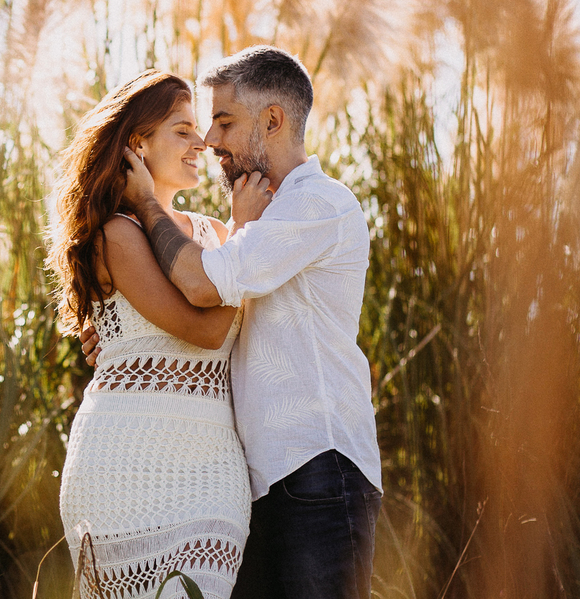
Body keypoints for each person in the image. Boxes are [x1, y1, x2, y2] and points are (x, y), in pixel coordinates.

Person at [83, 45, 383, 599]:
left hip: (317, 468)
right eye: (203, 124)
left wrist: (148, 204)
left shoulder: (316, 204)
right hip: (256, 483)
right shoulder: (255, 224)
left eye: (224, 121)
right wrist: (127, 334)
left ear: (272, 120)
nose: (210, 140)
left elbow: (203, 287)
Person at [50, 69, 271, 599]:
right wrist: (246, 234)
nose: (200, 142)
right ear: (138, 144)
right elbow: (207, 332)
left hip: (210, 473)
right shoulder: (116, 235)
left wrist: (236, 236)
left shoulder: (213, 235)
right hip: (121, 464)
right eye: (182, 129)